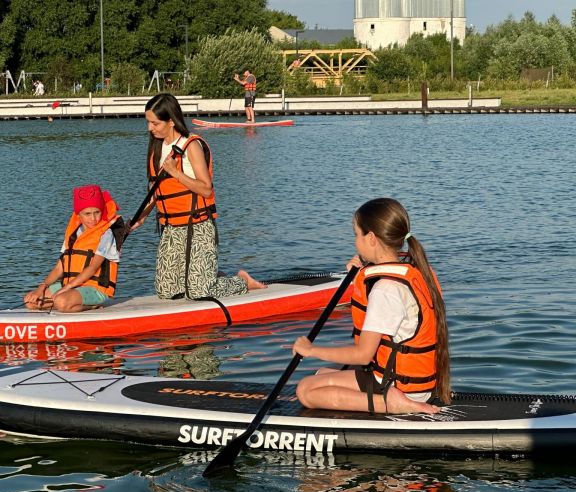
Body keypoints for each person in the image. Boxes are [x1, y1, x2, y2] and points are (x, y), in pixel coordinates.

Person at [292, 198, 450, 415]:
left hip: (398, 386)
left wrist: (311, 350)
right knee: (320, 375)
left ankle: (390, 404)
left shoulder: (385, 290)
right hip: (417, 382)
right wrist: (361, 272)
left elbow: (363, 355)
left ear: (372, 239)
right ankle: (392, 399)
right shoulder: (416, 271)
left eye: (356, 235)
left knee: (306, 390)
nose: (355, 242)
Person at [129, 93, 265, 300]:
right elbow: (156, 191)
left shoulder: (191, 146)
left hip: (199, 225)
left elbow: (206, 189)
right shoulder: (156, 147)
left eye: (155, 123)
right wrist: (141, 217)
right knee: (167, 292)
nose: (150, 128)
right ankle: (209, 276)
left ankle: (241, 281)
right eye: (148, 122)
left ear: (171, 121)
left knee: (199, 292)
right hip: (171, 228)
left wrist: (176, 172)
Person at [24, 184, 125, 312]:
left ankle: (90, 305)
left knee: (60, 301)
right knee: (30, 301)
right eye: (87, 214)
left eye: (97, 212)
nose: (93, 218)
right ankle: (66, 303)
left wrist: (64, 290)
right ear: (78, 214)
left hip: (96, 288)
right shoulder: (73, 234)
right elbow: (59, 268)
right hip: (71, 286)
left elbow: (93, 268)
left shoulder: (106, 234)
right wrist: (42, 288)